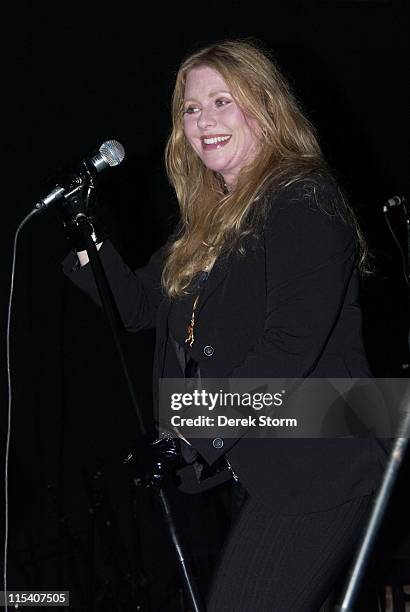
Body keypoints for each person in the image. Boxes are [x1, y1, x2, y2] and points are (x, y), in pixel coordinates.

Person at [63, 40, 386, 611]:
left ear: (264, 105)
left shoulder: (301, 197)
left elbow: (290, 346)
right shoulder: (210, 225)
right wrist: (87, 237)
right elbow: (139, 308)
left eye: (221, 101)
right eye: (190, 108)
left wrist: (194, 427)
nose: (202, 120)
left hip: (322, 459)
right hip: (265, 462)